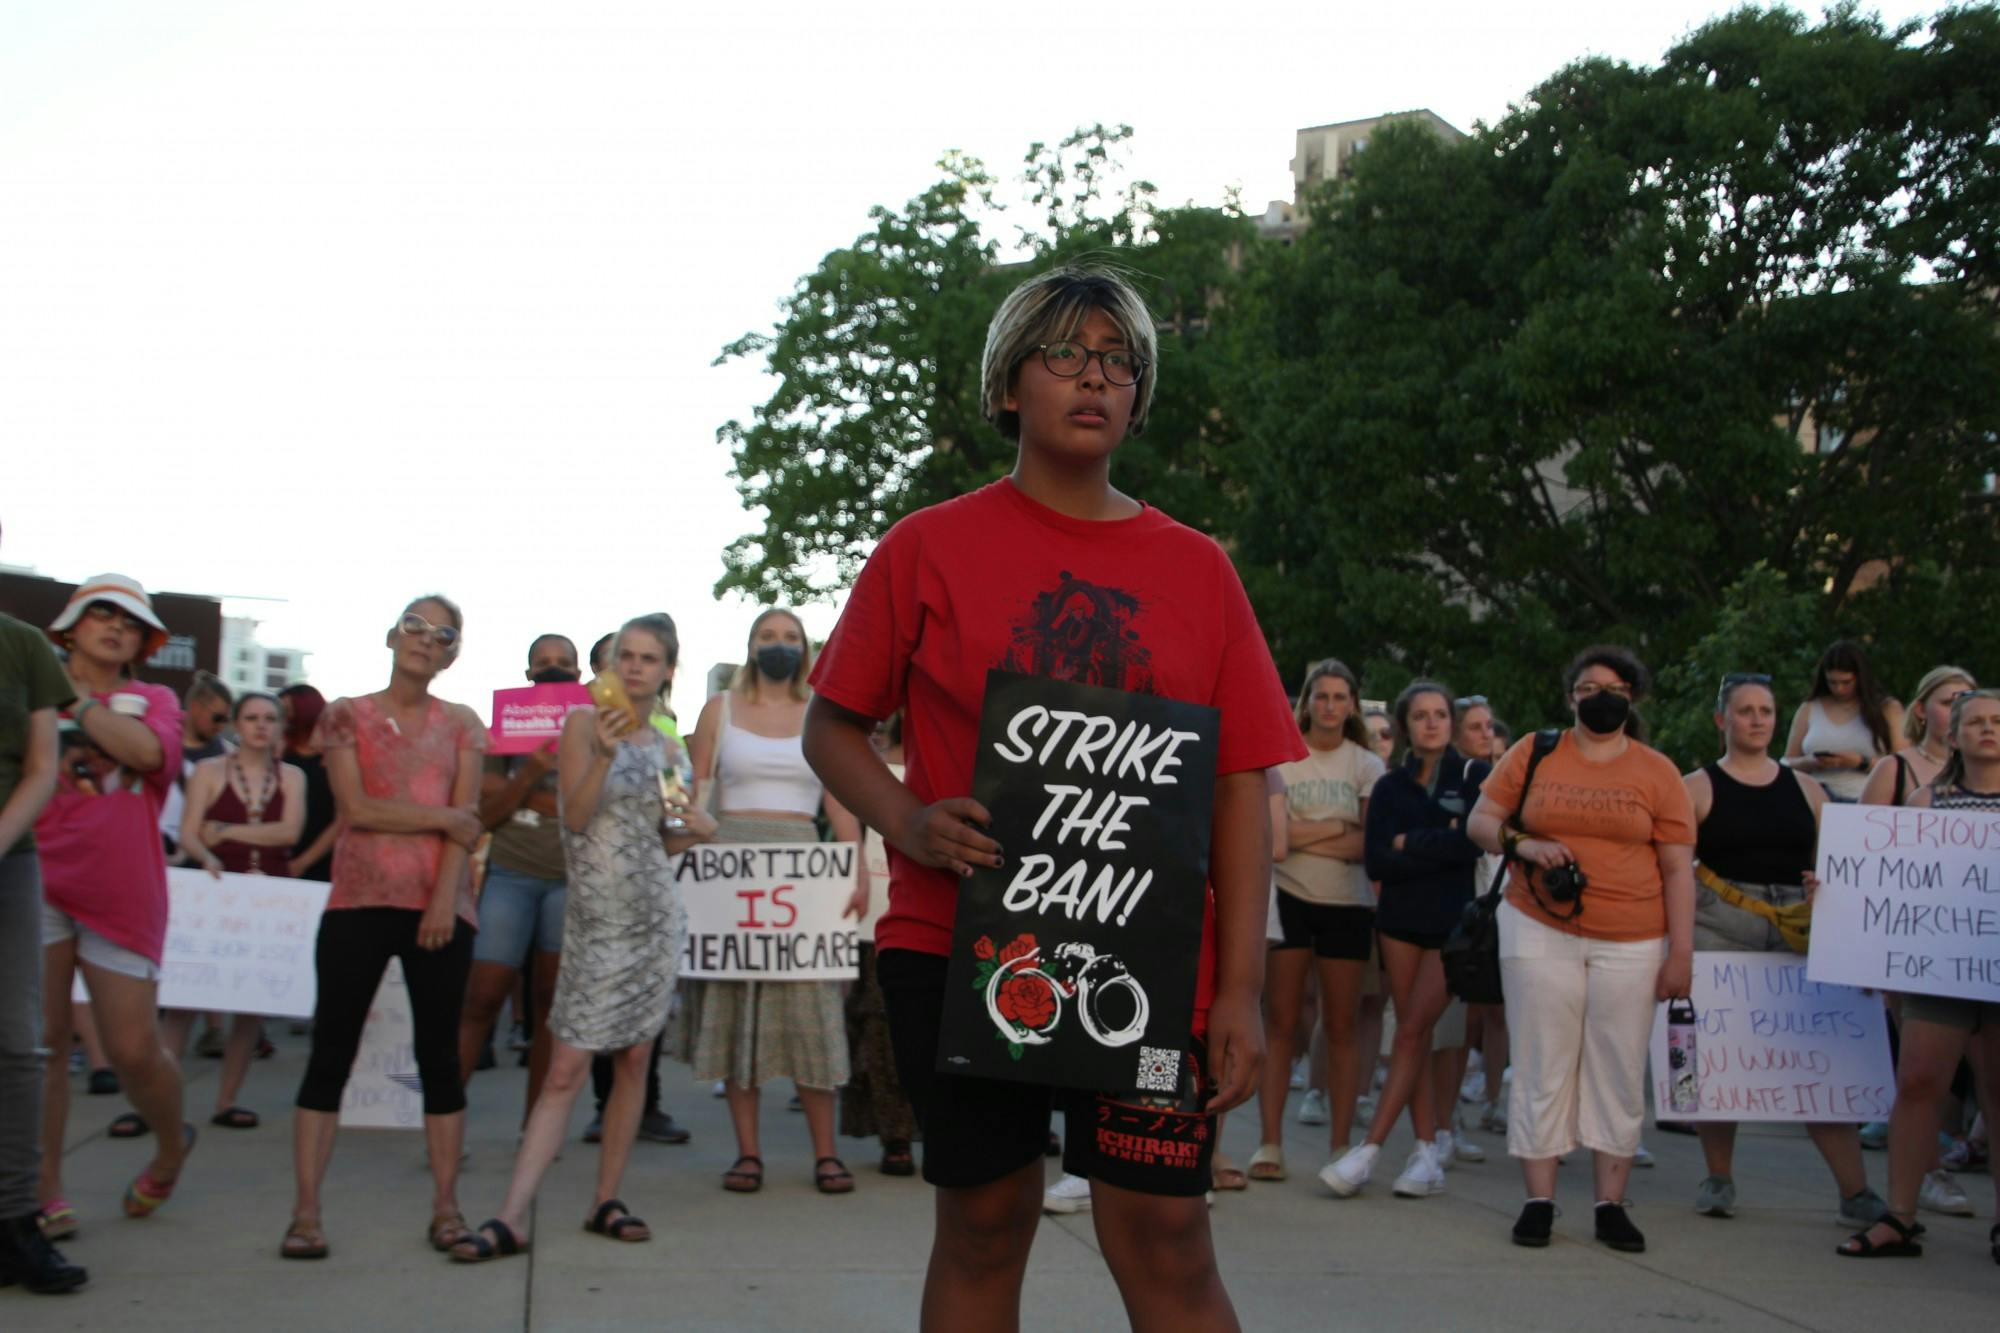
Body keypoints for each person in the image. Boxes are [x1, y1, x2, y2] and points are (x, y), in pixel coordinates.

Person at [803, 262, 1304, 1333]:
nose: (1096, 379)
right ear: (1006, 386)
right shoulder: (925, 546)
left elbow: (1236, 781)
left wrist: (1239, 992)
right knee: (983, 1222)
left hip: (1157, 969)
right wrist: (905, 820)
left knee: (1167, 1235)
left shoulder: (1198, 569)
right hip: (959, 951)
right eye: (1065, 355)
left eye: (1119, 361)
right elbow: (830, 725)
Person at [450, 614, 715, 1262]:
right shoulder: (578, 725)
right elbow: (576, 814)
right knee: (566, 1067)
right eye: (624, 654)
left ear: (667, 670)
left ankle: (606, 1198)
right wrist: (600, 751)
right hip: (595, 915)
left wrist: (702, 828)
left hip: (654, 914)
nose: (633, 666)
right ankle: (512, 1215)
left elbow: (669, 835)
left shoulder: (670, 746)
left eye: (648, 657)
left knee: (633, 1061)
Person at [1467, 645, 1695, 1254]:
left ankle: (1610, 1204)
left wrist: (1682, 953)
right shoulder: (1534, 752)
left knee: (1617, 1067)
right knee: (1542, 1060)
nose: (1602, 696)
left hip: (1635, 936)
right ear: (1570, 696)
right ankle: (1539, 1200)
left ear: (1634, 698)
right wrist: (1525, 845)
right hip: (1537, 924)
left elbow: (1678, 869)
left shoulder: (1658, 771)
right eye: (1589, 687)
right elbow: (1481, 819)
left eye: (1616, 686)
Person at [282, 596, 485, 1260]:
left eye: (442, 633)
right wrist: (442, 820)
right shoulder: (347, 714)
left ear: (452, 653)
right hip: (358, 900)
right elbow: (355, 807)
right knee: (329, 1054)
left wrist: (441, 899)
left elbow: (469, 819)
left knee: (439, 1060)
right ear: (393, 633)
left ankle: (448, 1207)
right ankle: (307, 1212)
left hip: (437, 907)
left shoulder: (463, 723)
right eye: (416, 625)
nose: (426, 638)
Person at [1682, 672, 1886, 1225]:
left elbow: (1840, 866)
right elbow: (1674, 872)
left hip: (1800, 928)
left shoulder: (1807, 789)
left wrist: (1828, 891)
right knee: (1719, 1060)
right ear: (1723, 720)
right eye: (1745, 711)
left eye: (1766, 711)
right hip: (1720, 926)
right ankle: (1718, 1175)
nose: (1756, 720)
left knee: (1815, 1062)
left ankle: (1855, 1191)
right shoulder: (1695, 787)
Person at [682, 607, 867, 1195]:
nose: (778, 645)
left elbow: (840, 799)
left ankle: (825, 1152)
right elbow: (697, 789)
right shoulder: (720, 711)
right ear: (751, 645)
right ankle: (748, 1153)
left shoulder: (822, 714)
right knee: (738, 1007)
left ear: (805, 650)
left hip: (804, 866)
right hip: (730, 858)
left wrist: (856, 866)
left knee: (811, 1008)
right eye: (768, 636)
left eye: (789, 637)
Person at [34, 576, 193, 1240]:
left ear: (142, 641)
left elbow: (148, 753)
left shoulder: (154, 698)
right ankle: (44, 1189)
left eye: (129, 620)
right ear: (69, 626)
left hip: (123, 887)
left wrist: (69, 697)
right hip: (33, 878)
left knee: (133, 1049)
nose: (114, 625)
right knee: (40, 1047)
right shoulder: (24, 695)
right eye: (99, 612)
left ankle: (169, 1145)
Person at [1839, 688, 2000, 1264]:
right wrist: (1838, 893)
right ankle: (1901, 1217)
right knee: (1917, 1083)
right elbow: (1884, 880)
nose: (1988, 730)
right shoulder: (1928, 803)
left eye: (1998, 721)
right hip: (1941, 970)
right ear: (1953, 735)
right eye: (1976, 722)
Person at [1323, 681, 1490, 1198]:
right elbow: (1377, 860)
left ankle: (1369, 1150)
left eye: (1441, 714)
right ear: (1404, 724)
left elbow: (1470, 846)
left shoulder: (1474, 775)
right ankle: (1424, 1151)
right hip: (1398, 920)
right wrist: (1437, 841)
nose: (1432, 723)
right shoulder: (1390, 785)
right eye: (1421, 715)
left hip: (1452, 923)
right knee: (1411, 1033)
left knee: (1413, 1029)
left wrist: (1411, 842)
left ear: (1453, 723)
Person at [1249, 659, 1383, 1183]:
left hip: (1347, 906)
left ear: (1353, 705)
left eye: (1339, 697)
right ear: (1305, 702)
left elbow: (1366, 845)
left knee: (1342, 1023)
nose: (1329, 707)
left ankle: (1339, 1144)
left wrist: (1300, 832)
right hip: (1288, 900)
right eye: (1320, 697)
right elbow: (1271, 842)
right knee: (1280, 1022)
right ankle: (1270, 1141)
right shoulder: (1285, 757)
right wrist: (1333, 825)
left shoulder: (1366, 765)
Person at [1855, 664, 1980, 1211]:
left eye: (1970, 704)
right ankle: (1922, 1183)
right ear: (1926, 709)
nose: (1960, 714)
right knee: (1920, 1073)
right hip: (1921, 954)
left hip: (1981, 956)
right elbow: (1866, 860)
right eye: (1951, 702)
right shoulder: (1901, 776)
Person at [0, 526, 86, 1293]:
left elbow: (40, 766)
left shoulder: (23, 645)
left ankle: (14, 1219)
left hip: (7, 862)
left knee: (19, 1044)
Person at [166, 692, 305, 1130]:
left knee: (250, 1005)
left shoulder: (293, 777)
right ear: (237, 724)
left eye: (270, 718)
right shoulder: (209, 771)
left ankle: (227, 1100)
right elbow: (190, 833)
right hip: (217, 892)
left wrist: (224, 831)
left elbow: (289, 833)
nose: (260, 726)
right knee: (183, 1002)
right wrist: (209, 857)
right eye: (251, 718)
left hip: (267, 896)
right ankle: (157, 1100)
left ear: (281, 726)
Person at [457, 633, 579, 1122]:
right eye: (543, 663)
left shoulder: (590, 729)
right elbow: (485, 814)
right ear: (528, 674)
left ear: (578, 675)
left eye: (563, 663)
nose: (553, 670)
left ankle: (537, 1127)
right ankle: (447, 1119)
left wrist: (523, 795)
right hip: (510, 874)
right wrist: (529, 776)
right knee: (482, 996)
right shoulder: (501, 733)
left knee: (551, 1006)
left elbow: (585, 807)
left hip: (569, 878)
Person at [840, 712, 919, 1176]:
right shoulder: (865, 766)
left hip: (944, 909)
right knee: (881, 1025)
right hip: (877, 913)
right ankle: (895, 1134)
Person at [1453, 695, 1509, 1136]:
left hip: (1501, 897)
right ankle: (1449, 1107)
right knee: (1463, 1010)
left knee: (1497, 1011)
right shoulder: (1467, 775)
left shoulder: (1500, 775)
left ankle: (1494, 1098)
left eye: (1488, 726)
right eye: (1474, 727)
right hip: (1467, 899)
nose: (1485, 734)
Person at [1783, 641, 1904, 802]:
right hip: (1816, 796)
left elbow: (1903, 766)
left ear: (1860, 678)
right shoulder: (1809, 708)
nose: (1839, 689)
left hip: (1865, 799)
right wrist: (1809, 762)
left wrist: (1860, 762)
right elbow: (1786, 762)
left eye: (1846, 682)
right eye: (1832, 682)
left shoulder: (1887, 709)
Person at [1859, 665, 1975, 808]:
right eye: (1948, 703)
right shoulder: (1892, 768)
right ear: (1921, 710)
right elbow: (1863, 827)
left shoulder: (1991, 767)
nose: (1958, 712)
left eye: (1965, 704)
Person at [279, 685, 338, 882]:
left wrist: (303, 862)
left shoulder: (332, 762)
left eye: (286, 711)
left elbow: (341, 820)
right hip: (277, 860)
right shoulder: (278, 758)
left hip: (319, 865)